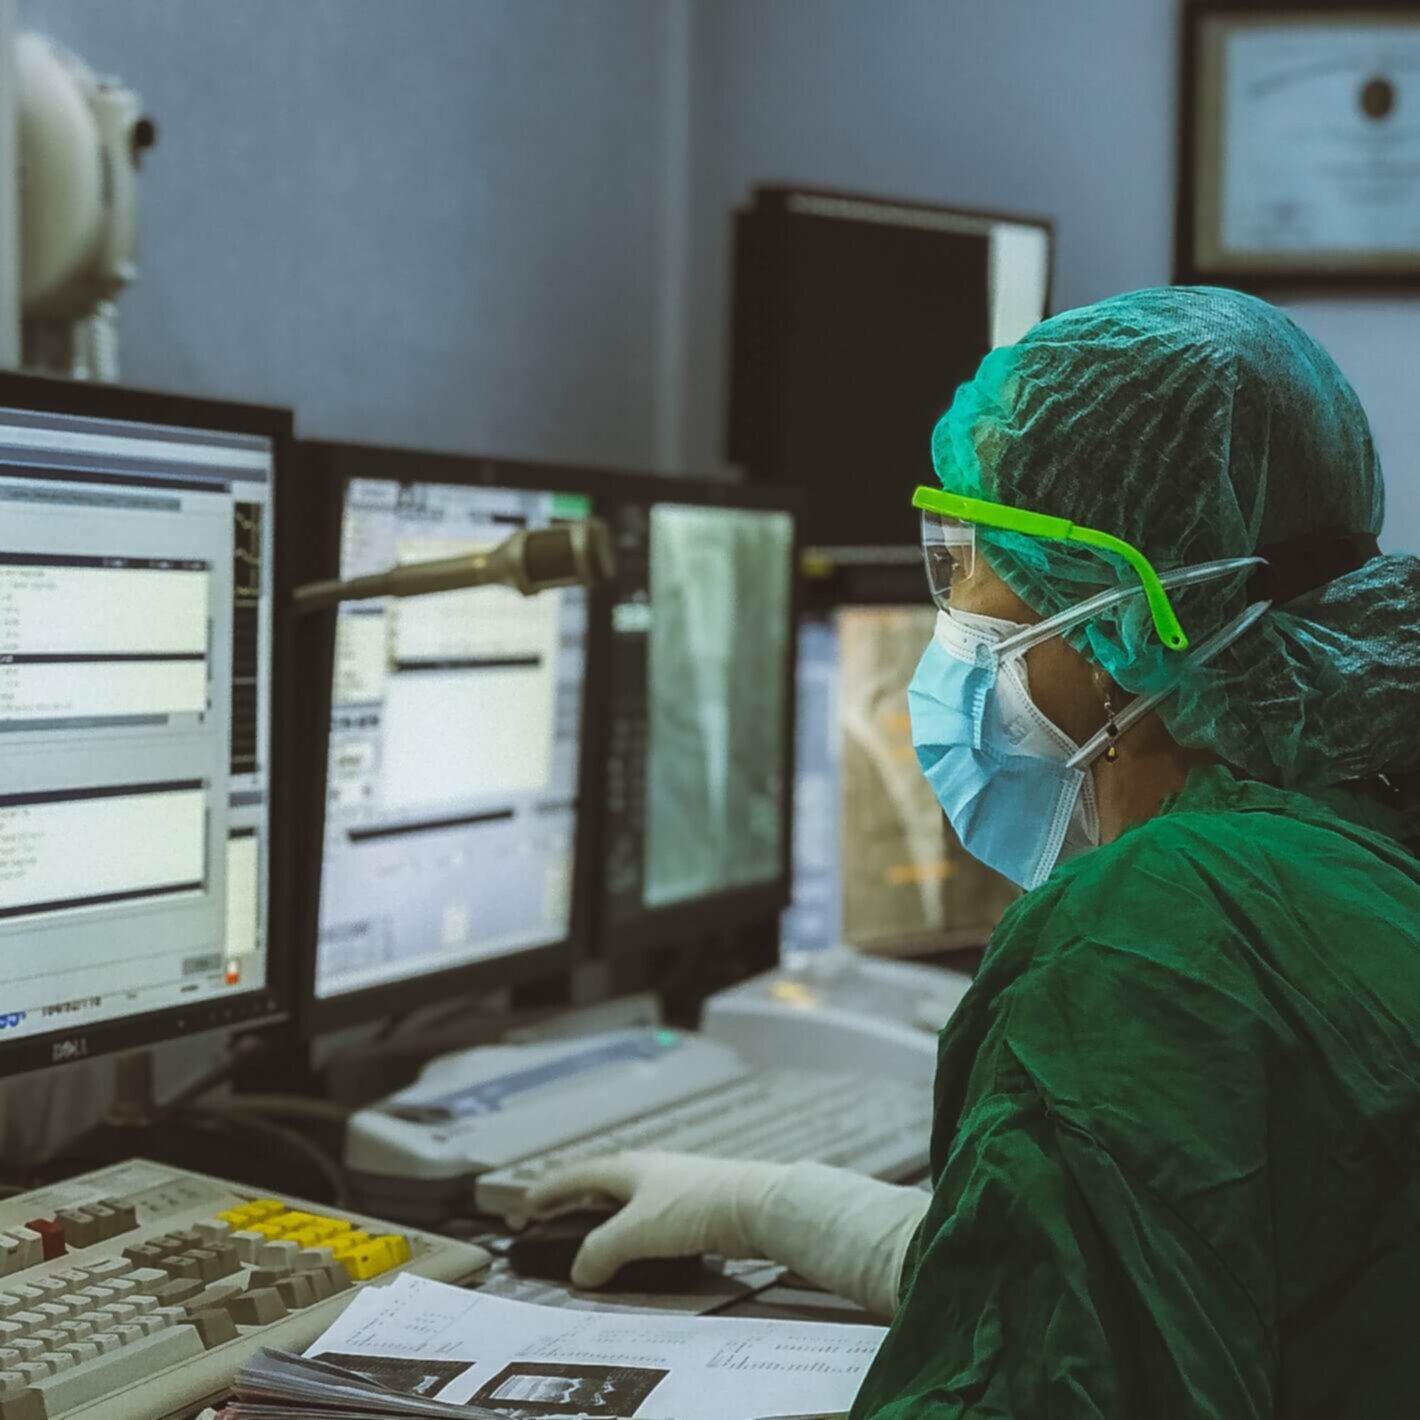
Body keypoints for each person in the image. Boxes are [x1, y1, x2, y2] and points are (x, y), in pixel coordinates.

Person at [529, 287, 1420, 1417]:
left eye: (969, 558)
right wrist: (784, 1207)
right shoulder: (1358, 834)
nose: (949, 610)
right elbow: (1180, 1280)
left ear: (1120, 616)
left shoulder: (1156, 931)